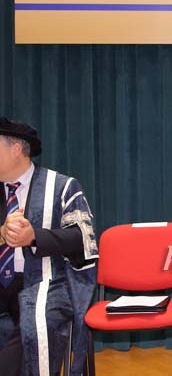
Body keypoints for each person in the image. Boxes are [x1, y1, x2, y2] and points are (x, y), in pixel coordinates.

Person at [0, 117, 98, 376]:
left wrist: (34, 237)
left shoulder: (62, 187)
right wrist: (2, 234)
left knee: (35, 328)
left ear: (16, 148)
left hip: (47, 282)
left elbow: (80, 238)